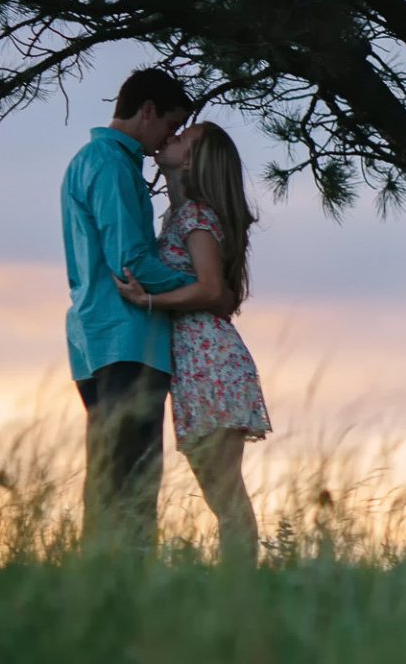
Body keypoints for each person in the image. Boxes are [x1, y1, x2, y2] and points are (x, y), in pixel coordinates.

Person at [116, 120, 271, 562]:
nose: (173, 136)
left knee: (225, 497)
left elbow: (209, 288)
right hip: (200, 365)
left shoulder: (196, 216)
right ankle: (238, 590)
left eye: (184, 137)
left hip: (210, 364)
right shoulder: (182, 215)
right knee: (222, 495)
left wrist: (150, 300)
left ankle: (239, 593)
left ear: (192, 159)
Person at [61, 67, 197, 552]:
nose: (169, 138)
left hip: (93, 337)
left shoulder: (89, 160)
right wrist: (201, 286)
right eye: (169, 125)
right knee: (132, 478)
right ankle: (124, 587)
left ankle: (100, 585)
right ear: (147, 111)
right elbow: (131, 263)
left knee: (108, 475)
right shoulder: (114, 165)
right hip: (128, 338)